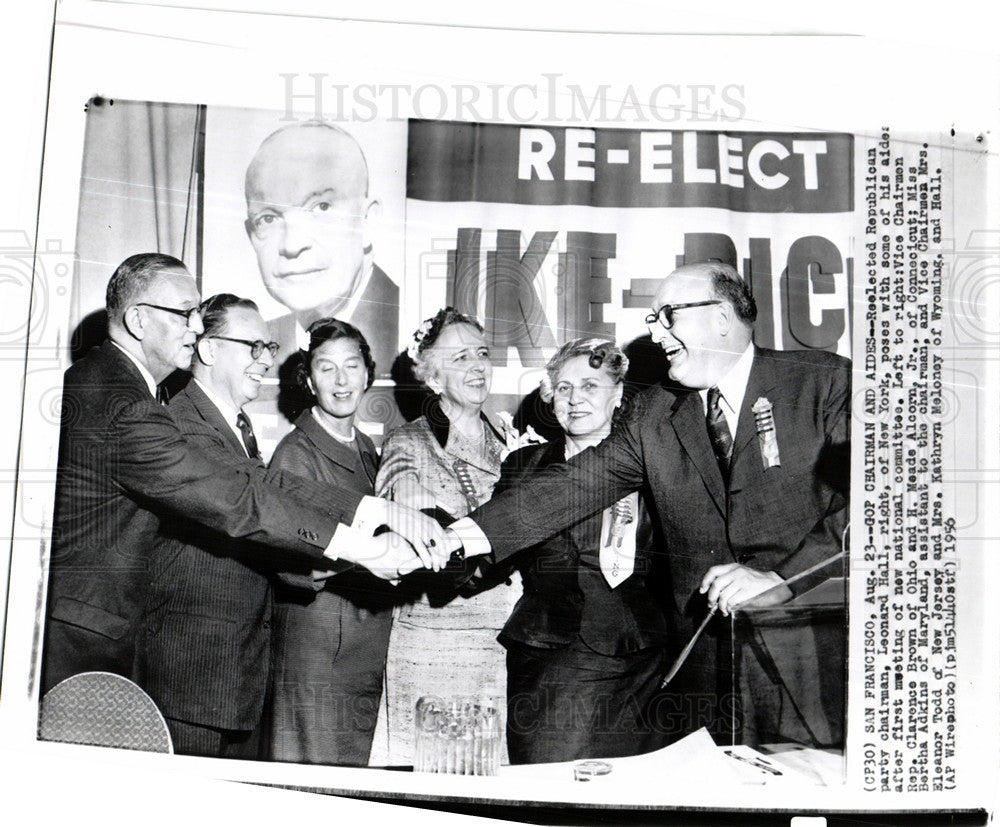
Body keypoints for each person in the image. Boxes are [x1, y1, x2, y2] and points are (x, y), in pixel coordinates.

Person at [448, 262, 851, 742]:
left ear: (721, 317)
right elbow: (569, 487)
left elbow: (871, 509)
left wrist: (785, 578)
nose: (656, 333)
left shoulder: (821, 383)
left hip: (808, 647)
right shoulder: (654, 412)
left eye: (667, 315)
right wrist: (455, 536)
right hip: (701, 669)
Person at [41, 253, 452, 697]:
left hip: (101, 632)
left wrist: (380, 510)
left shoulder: (119, 384)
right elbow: (236, 498)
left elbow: (259, 483)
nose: (197, 328)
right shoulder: (124, 404)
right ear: (139, 320)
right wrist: (364, 549)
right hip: (87, 643)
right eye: (185, 314)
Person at [477, 337, 672, 763]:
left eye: (590, 386)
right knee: (547, 788)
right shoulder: (524, 466)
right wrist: (429, 549)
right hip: (549, 656)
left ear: (618, 394)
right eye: (563, 388)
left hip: (639, 662)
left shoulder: (655, 463)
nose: (575, 399)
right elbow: (491, 553)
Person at [133, 292, 302, 757]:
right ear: (207, 350)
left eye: (269, 348)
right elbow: (253, 515)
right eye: (253, 346)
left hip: (233, 676)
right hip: (192, 677)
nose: (265, 360)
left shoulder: (235, 423)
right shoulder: (184, 424)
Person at [369, 308, 521, 766]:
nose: (477, 366)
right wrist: (408, 500)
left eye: (481, 353)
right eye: (459, 358)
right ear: (433, 378)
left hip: (503, 641)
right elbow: (397, 487)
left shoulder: (510, 439)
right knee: (436, 777)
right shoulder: (410, 441)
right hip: (436, 645)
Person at [267, 318, 395, 765]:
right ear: (307, 379)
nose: (342, 381)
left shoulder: (366, 448)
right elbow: (285, 561)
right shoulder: (295, 453)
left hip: (364, 643)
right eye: (326, 368)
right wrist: (370, 556)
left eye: (352, 365)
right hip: (317, 647)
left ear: (367, 373)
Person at [243, 121, 399, 380]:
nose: (291, 245)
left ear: (368, 221)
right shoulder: (255, 352)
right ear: (252, 236)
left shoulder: (409, 329)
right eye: (268, 218)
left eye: (322, 207)